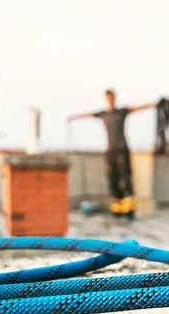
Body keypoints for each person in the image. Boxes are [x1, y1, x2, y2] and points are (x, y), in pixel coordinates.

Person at [67, 89, 156, 221]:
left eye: (112, 97)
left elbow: (137, 108)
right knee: (112, 180)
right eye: (108, 98)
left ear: (115, 98)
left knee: (125, 179)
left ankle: (129, 211)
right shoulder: (102, 114)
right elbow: (88, 115)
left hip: (122, 150)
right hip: (110, 151)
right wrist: (73, 117)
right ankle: (117, 210)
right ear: (106, 99)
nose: (110, 99)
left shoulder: (122, 112)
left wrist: (155, 104)